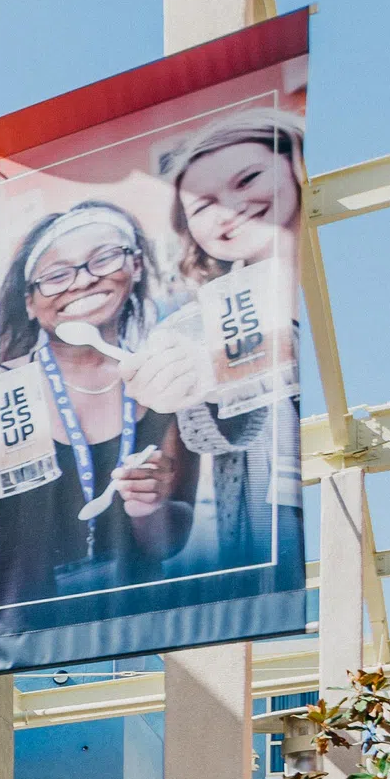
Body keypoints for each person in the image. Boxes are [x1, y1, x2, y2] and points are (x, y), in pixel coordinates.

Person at [121, 109, 308, 578]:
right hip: (264, 536)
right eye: (203, 206)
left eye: (247, 178)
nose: (231, 208)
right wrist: (184, 380)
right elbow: (214, 435)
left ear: (293, 164)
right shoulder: (194, 321)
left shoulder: (342, 260)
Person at [0, 200, 189, 619]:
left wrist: (149, 506)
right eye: (55, 275)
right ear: (28, 301)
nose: (81, 282)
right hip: (24, 638)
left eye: (103, 258)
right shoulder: (8, 391)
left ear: (135, 266)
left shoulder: (167, 387)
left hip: (140, 623)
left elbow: (169, 542)